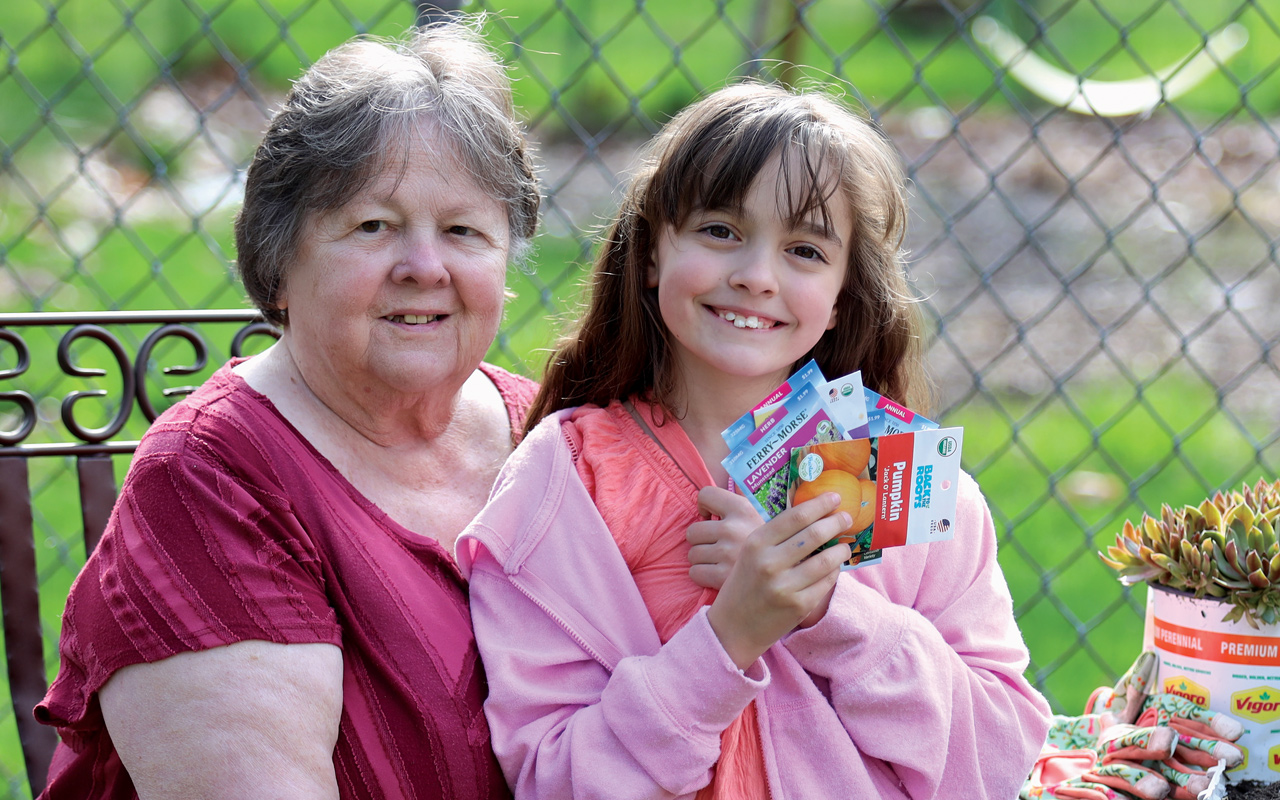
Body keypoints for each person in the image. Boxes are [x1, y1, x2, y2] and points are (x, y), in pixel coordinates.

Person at [455, 82, 1053, 799]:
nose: (756, 277)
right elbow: (552, 782)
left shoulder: (909, 483)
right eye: (720, 231)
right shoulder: (564, 484)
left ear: (840, 299)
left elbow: (998, 758)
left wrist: (829, 610)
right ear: (650, 253)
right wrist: (728, 638)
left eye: (804, 249)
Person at [34, 19, 539, 800]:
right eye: (373, 226)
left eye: (464, 230)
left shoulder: (549, 434)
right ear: (278, 261)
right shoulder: (209, 482)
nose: (424, 267)